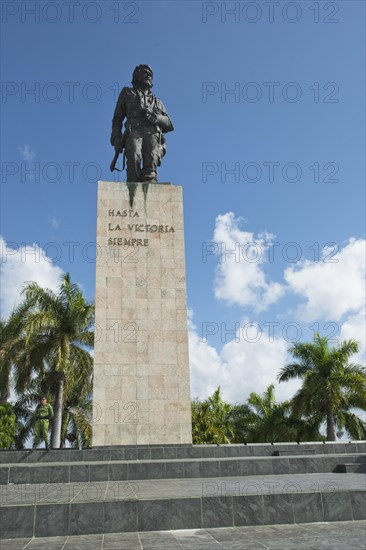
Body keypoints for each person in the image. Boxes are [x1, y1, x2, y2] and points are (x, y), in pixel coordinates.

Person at [111, 64, 174, 182]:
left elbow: (169, 124)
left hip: (152, 133)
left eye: (150, 74)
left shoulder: (157, 101)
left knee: (150, 168)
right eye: (145, 72)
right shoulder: (127, 93)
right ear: (136, 75)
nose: (149, 75)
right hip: (133, 131)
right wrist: (116, 138)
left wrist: (157, 118)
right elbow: (117, 119)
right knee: (133, 161)